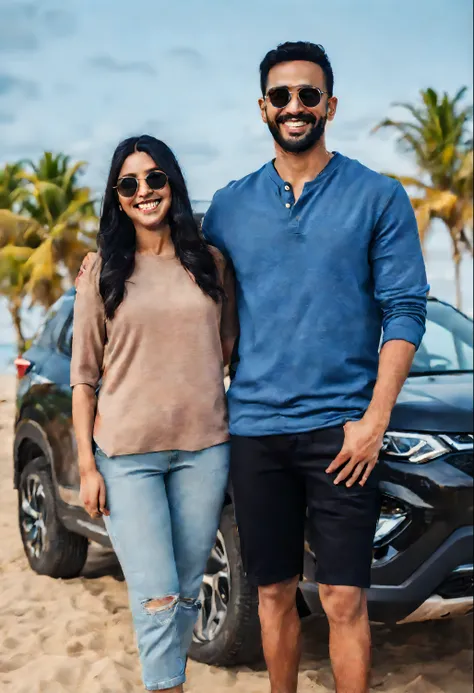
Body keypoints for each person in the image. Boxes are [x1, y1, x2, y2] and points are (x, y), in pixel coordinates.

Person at [202, 42, 429, 693]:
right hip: (254, 430)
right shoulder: (229, 206)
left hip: (341, 435)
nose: (295, 106)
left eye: (308, 95)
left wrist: (374, 419)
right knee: (272, 593)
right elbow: (194, 291)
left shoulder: (378, 196)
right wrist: (101, 262)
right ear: (263, 107)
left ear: (330, 104)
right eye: (282, 96)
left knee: (343, 599)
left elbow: (405, 310)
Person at [71, 134, 237, 693]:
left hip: (204, 452)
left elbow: (228, 351)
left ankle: (170, 681)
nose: (144, 191)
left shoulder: (210, 264)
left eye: (154, 178)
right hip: (126, 458)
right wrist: (87, 467)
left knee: (188, 591)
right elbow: (83, 376)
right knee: (157, 593)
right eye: (129, 183)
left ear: (172, 183)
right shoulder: (101, 273)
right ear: (118, 198)